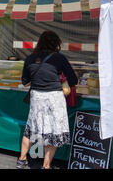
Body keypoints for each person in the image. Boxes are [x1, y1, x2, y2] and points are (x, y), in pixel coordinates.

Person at [16, 31, 78, 169]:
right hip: (54, 98)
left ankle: (21, 160)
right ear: (56, 44)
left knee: (31, 129)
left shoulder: (30, 58)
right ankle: (46, 165)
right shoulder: (60, 58)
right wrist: (60, 79)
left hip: (37, 97)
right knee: (53, 131)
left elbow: (25, 82)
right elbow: (73, 80)